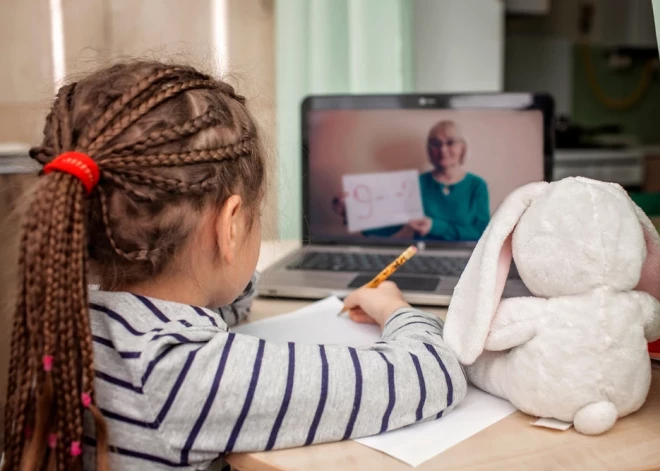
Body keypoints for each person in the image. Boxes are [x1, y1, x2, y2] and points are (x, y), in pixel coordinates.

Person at [3, 62, 467, 471]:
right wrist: (394, 309)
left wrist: (226, 283)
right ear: (229, 227)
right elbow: (433, 373)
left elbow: (220, 308)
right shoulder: (186, 375)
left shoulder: (68, 312)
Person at [362, 120, 490, 241]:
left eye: (450, 143)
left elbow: (482, 234)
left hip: (465, 256)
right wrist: (356, 213)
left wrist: (435, 226)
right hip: (417, 252)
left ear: (462, 147)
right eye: (436, 143)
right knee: (390, 265)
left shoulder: (477, 185)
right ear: (429, 149)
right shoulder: (415, 183)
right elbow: (389, 227)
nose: (443, 149)